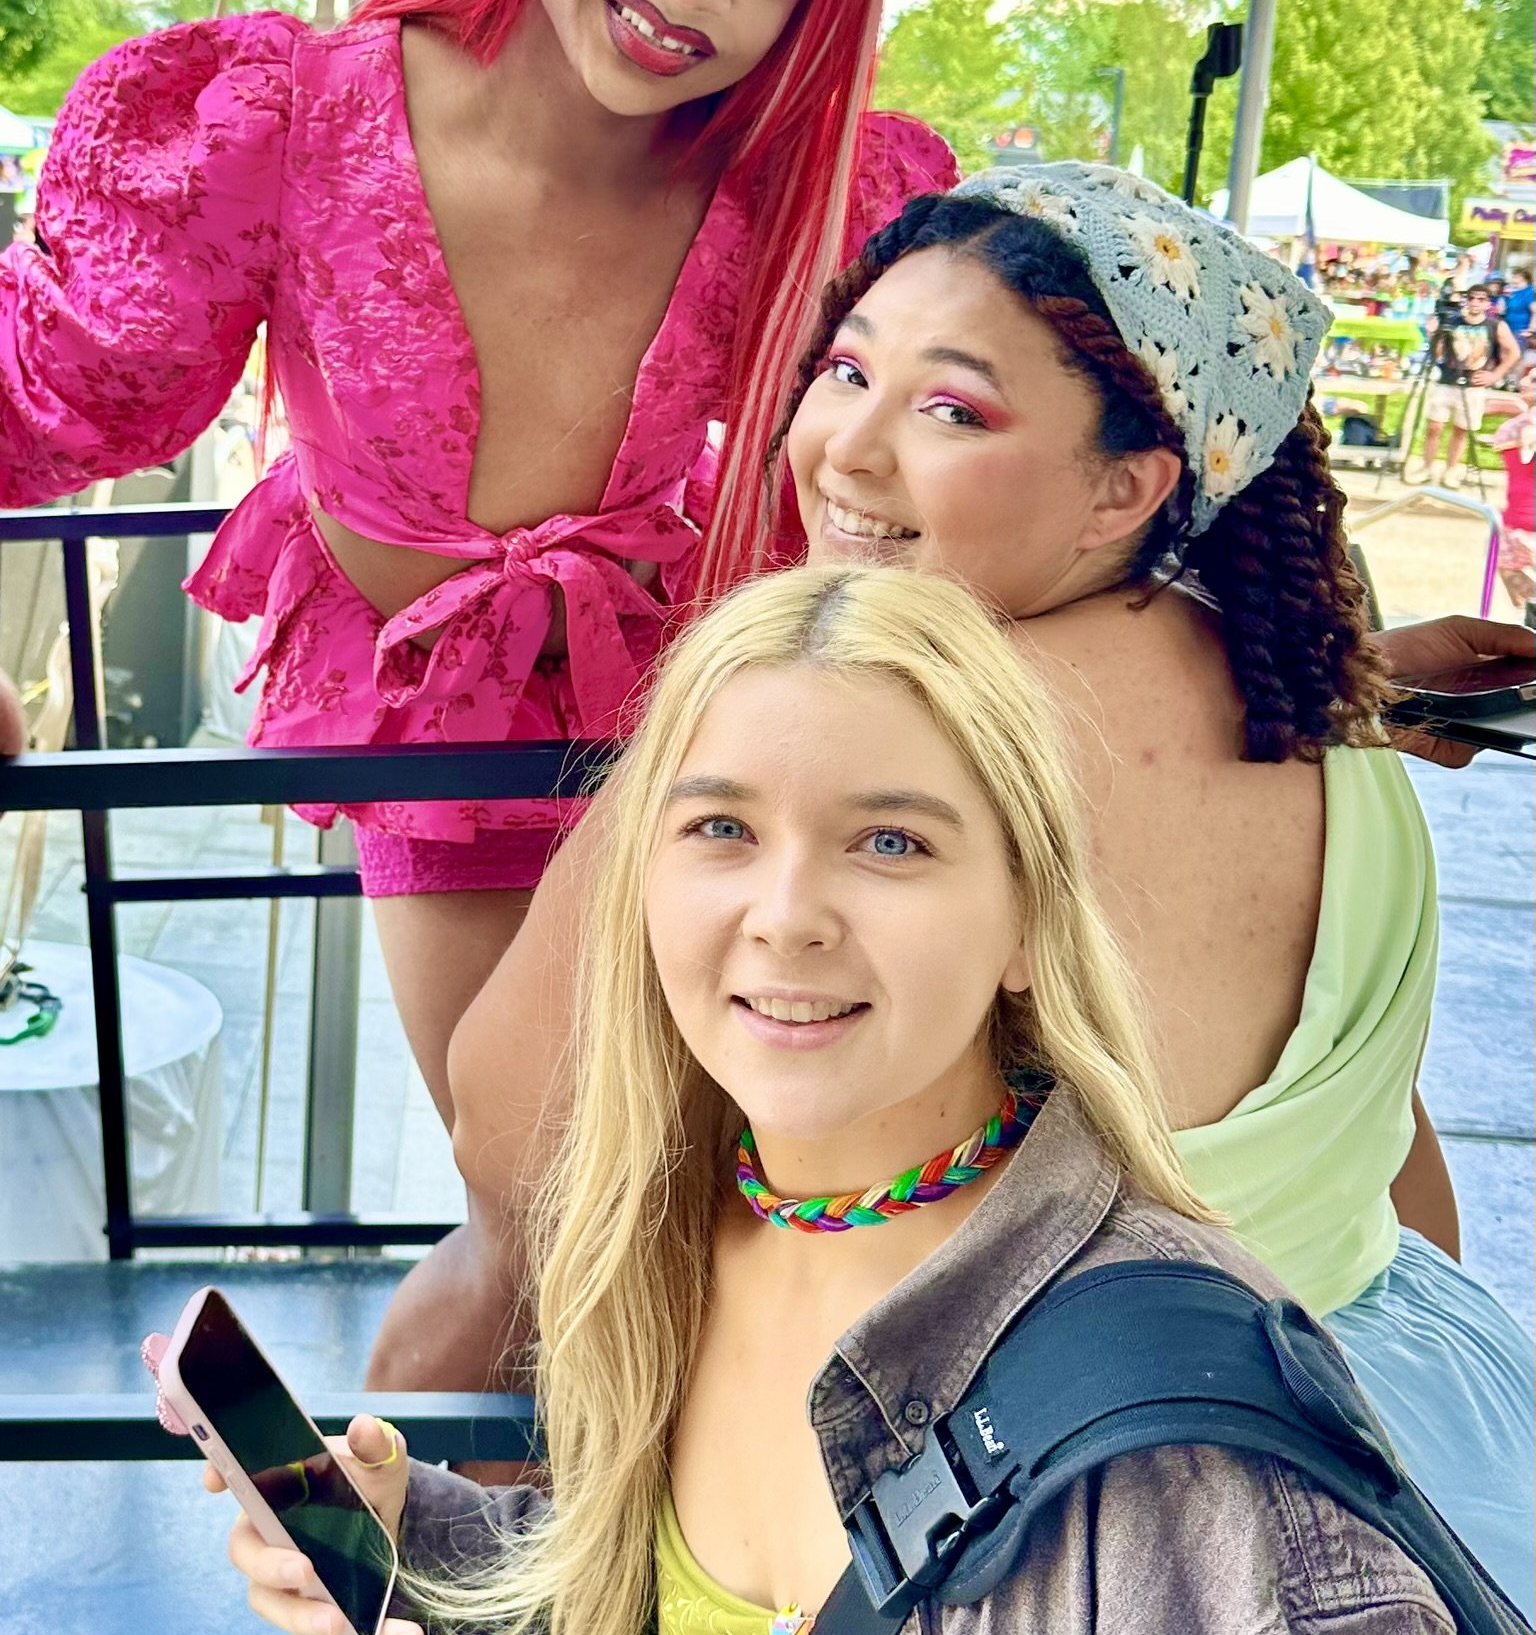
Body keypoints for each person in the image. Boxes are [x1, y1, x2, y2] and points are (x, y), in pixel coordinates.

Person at [0, 0, 955, 1363]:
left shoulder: (800, 188)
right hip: (434, 718)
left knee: (689, 1204)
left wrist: (1309, 644)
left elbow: (1006, 433)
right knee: (550, 1199)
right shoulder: (286, 116)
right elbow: (56, 386)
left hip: (685, 732)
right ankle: (395, 1555)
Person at [443, 163, 1534, 1603]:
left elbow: (508, 1125)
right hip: (1398, 1416)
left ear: (1128, 487)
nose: (847, 453)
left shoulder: (899, 736)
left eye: (952, 408)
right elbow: (1393, 1170)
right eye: (846, 373)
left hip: (1044, 1492)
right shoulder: (1329, 716)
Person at [204, 563, 1484, 1635]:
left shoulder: (1180, 1439)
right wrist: (415, 1543)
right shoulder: (668, 1236)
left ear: (1028, 923)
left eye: (892, 842)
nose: (787, 916)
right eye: (721, 829)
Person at [1405, 283, 1523, 488]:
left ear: (1488, 303)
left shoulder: (1495, 325)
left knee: (1461, 429)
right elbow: (1438, 353)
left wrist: (1495, 375)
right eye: (1472, 298)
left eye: (1481, 299)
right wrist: (1434, 334)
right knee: (1435, 426)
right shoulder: (1452, 321)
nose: (1475, 303)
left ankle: (1451, 470)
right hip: (1447, 380)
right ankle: (1427, 466)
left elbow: (1513, 352)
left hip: (1473, 384)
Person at [1491, 370, 1535, 622]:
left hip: (1523, 516)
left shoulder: (1517, 427)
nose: (1524, 382)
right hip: (1518, 515)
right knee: (1508, 567)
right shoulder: (1514, 427)